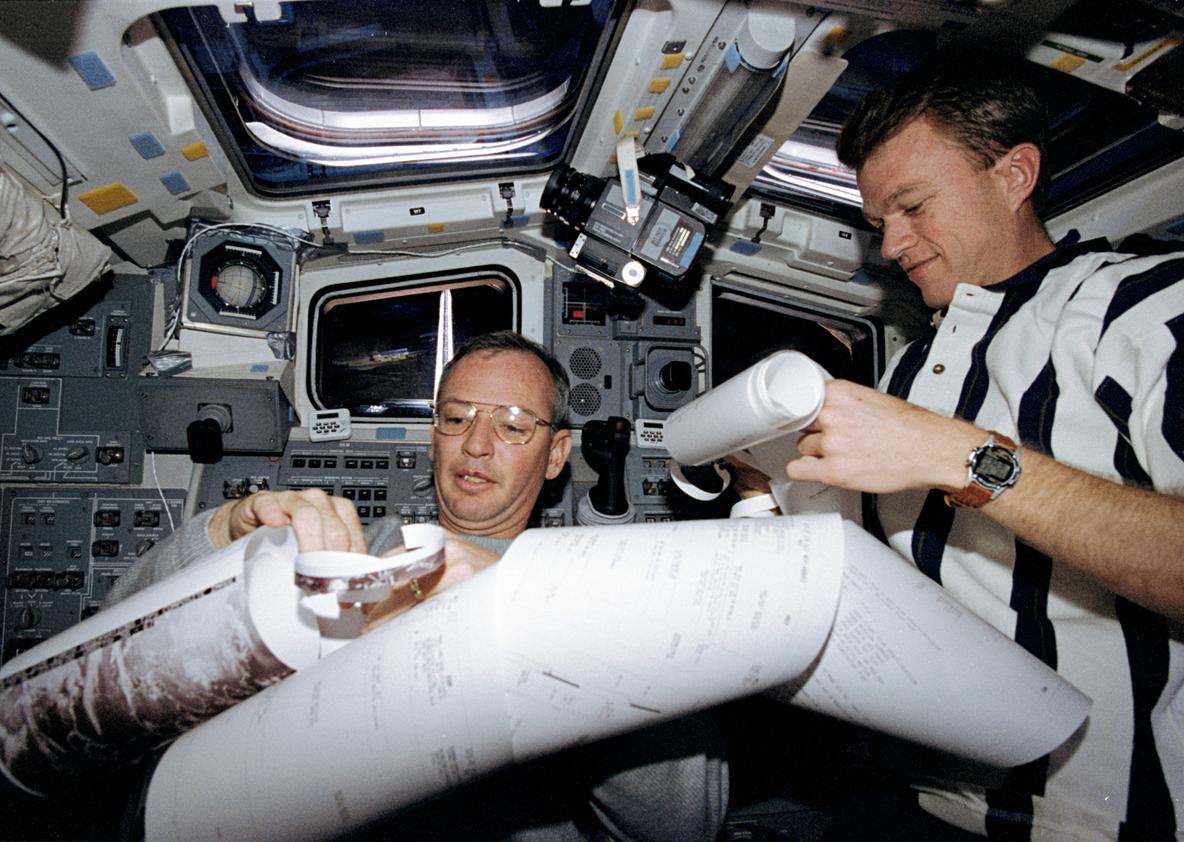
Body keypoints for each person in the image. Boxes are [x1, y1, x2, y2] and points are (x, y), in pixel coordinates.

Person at [737, 56, 1184, 840]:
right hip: (903, 797)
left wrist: (960, 455)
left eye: (911, 206)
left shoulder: (1141, 310)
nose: (892, 245)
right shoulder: (910, 367)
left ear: (1014, 174)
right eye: (880, 224)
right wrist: (758, 485)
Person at [107, 330, 729, 842]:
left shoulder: (599, 597)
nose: (477, 444)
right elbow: (112, 645)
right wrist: (221, 534)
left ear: (557, 453)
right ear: (434, 439)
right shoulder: (346, 548)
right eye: (456, 418)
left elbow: (683, 827)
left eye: (513, 426)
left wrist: (541, 622)